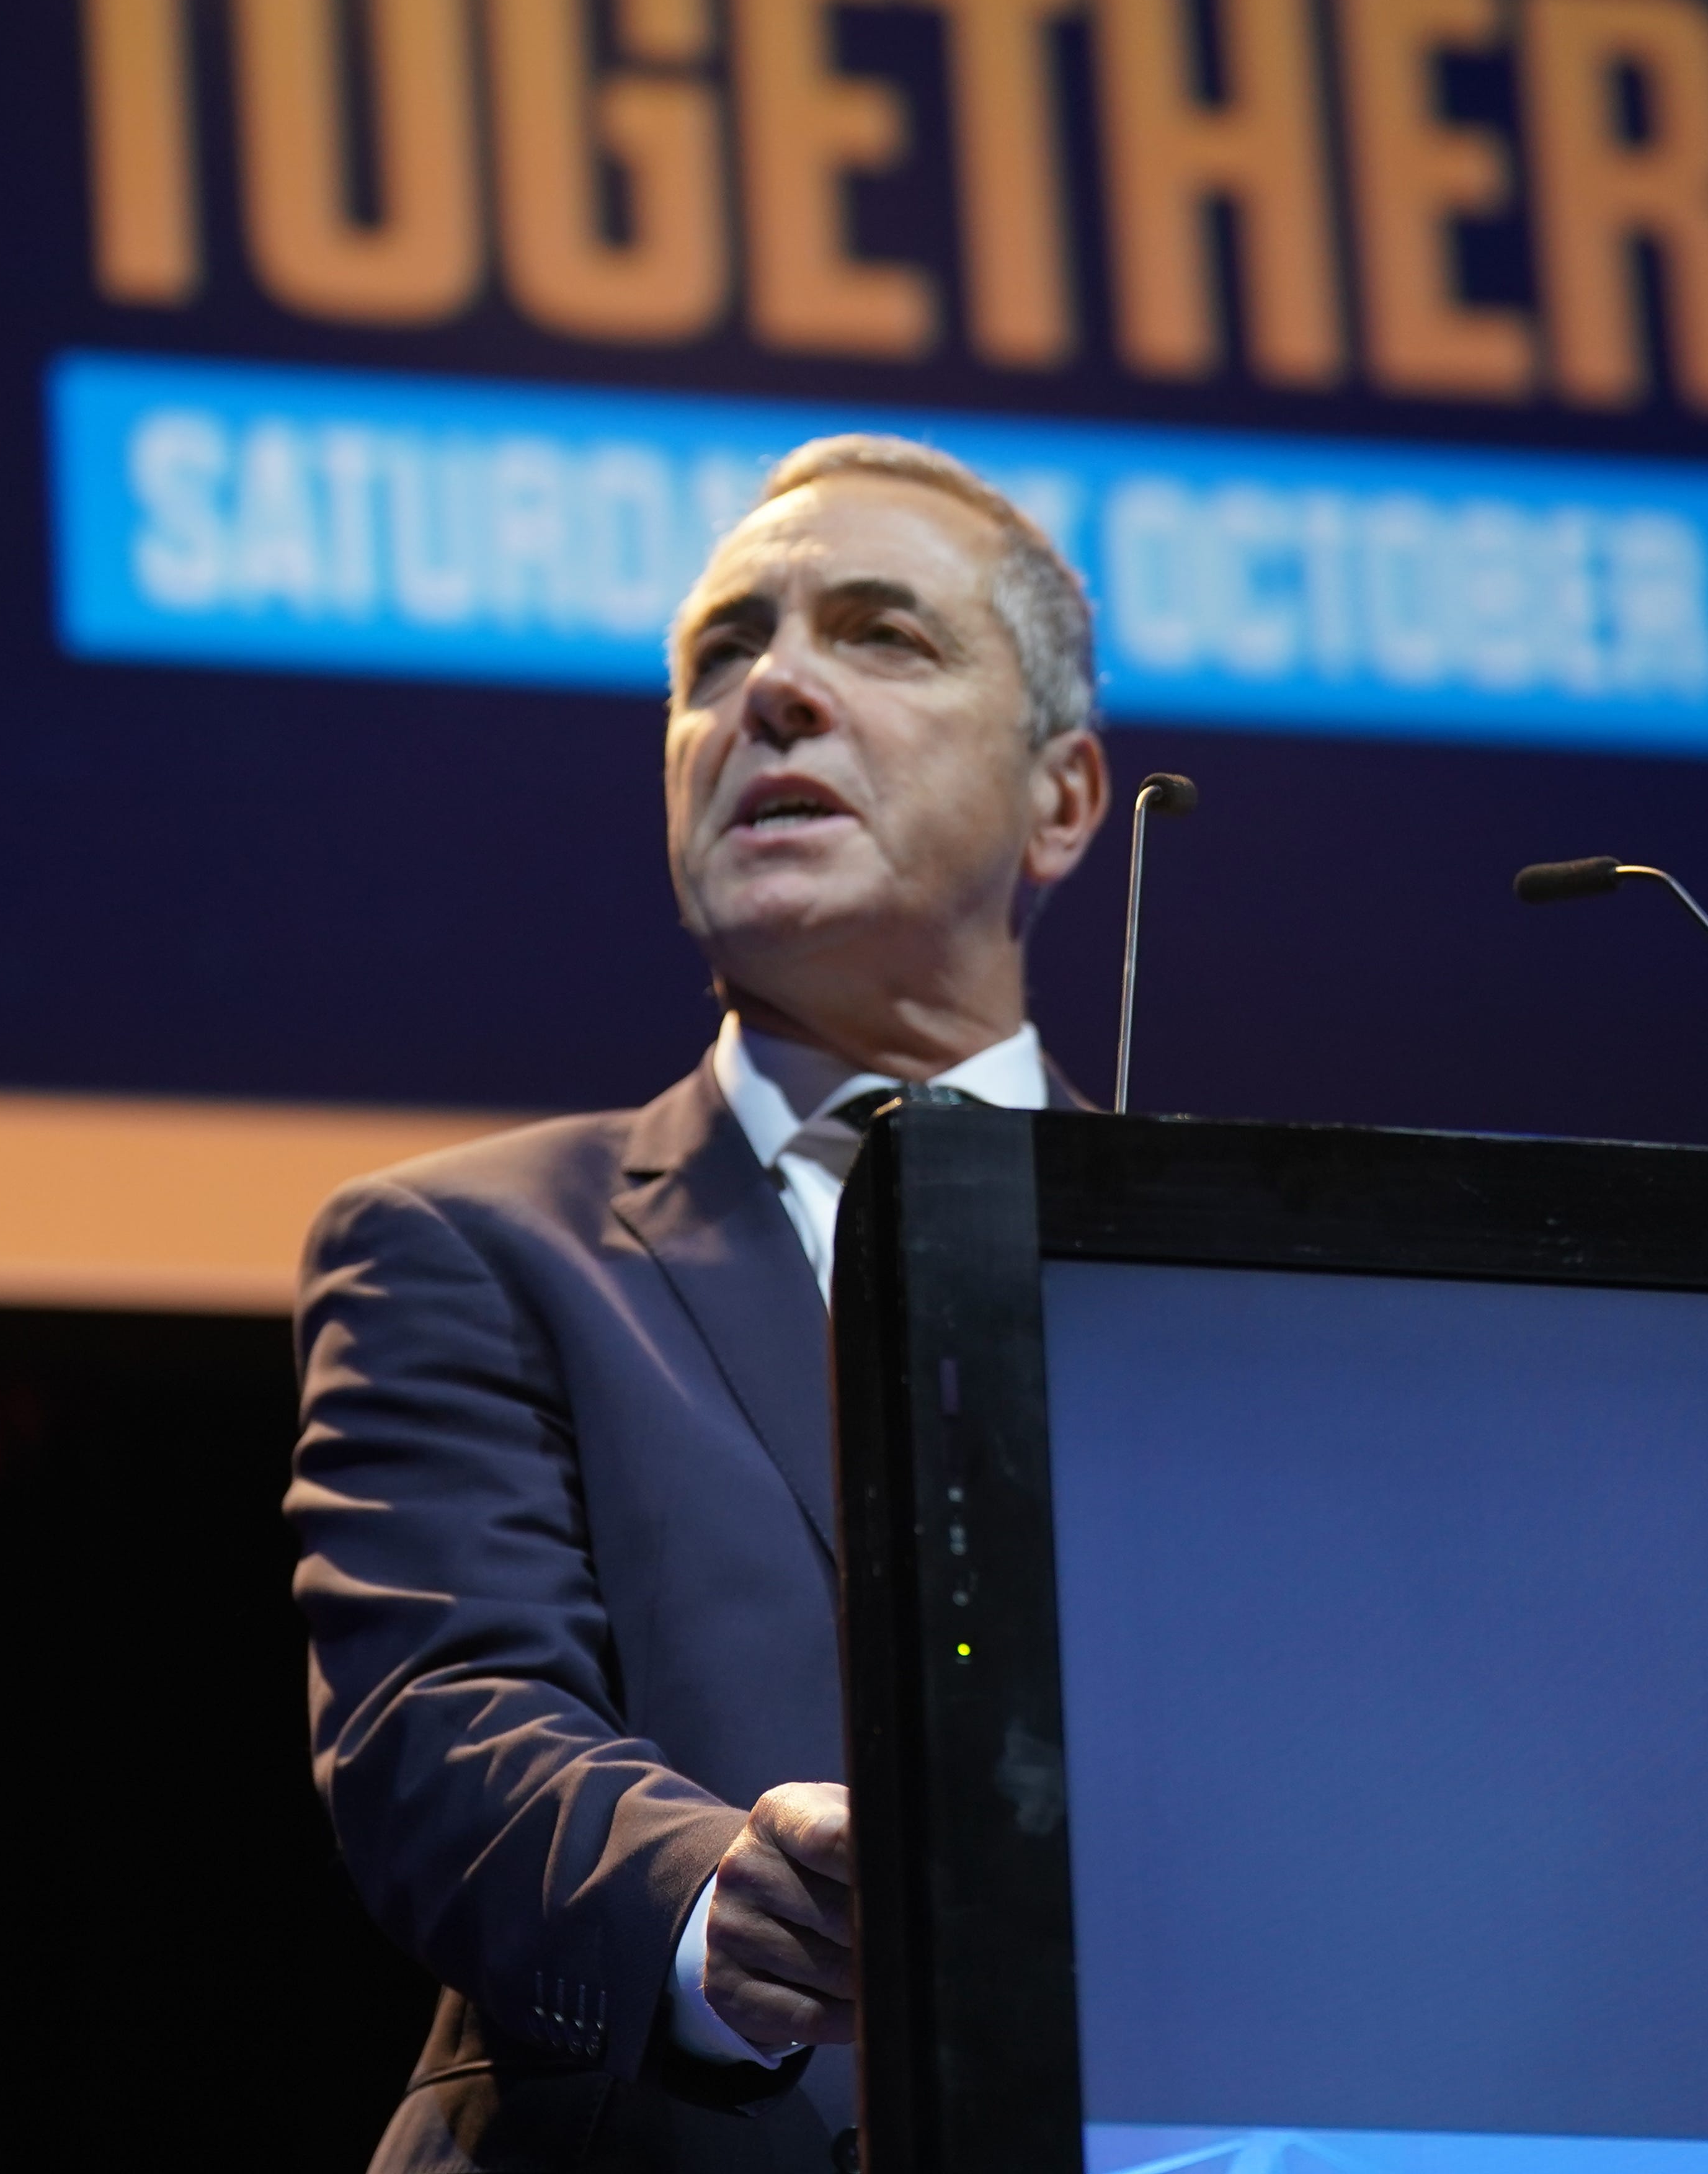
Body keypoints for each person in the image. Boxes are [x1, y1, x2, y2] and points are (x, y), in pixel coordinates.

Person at [287, 434, 1112, 2172]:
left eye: (881, 636)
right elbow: (439, 1720)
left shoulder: (1217, 1277)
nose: (778, 692)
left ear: (1064, 798)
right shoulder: (471, 1247)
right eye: (724, 655)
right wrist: (710, 1901)